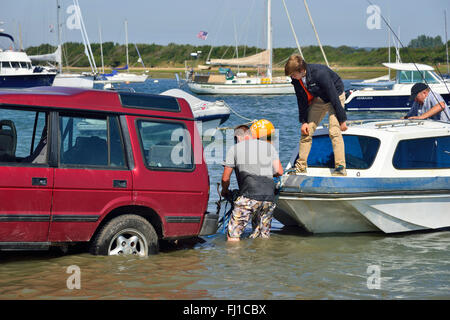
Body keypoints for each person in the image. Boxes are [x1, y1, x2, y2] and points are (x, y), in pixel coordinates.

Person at [285, 54, 348, 176]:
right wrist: (304, 122)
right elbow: (301, 100)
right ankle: (300, 167)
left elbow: (333, 96)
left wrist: (342, 119)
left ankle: (340, 167)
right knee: (306, 131)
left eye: (293, 74)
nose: (291, 77)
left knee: (334, 131)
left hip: (336, 96)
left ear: (301, 70)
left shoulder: (320, 73)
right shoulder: (296, 79)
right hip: (319, 99)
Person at [221, 122, 283, 241]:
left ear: (238, 137)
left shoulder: (234, 149)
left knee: (233, 236)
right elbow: (279, 171)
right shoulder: (269, 147)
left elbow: (225, 178)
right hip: (268, 198)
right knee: (262, 237)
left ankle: (234, 259)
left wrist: (224, 191)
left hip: (248, 197)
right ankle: (263, 259)